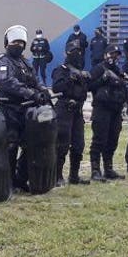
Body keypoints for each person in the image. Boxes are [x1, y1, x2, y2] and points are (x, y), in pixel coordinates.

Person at [0, 25, 52, 192]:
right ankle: (8, 181)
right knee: (10, 146)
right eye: (15, 42)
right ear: (7, 43)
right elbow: (8, 82)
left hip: (26, 110)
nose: (19, 45)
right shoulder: (1, 62)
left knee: (30, 144)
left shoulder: (25, 62)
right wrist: (30, 93)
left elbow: (35, 79)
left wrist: (43, 90)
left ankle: (20, 178)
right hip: (8, 109)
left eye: (21, 43)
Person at [50, 38, 90, 187]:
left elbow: (85, 91)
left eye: (79, 52)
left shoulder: (80, 72)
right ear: (67, 53)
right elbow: (56, 88)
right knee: (61, 145)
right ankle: (57, 176)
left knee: (79, 145)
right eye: (74, 52)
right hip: (64, 110)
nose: (77, 54)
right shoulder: (61, 70)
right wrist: (70, 80)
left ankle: (74, 176)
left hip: (77, 111)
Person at [88, 44, 127, 183]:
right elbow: (89, 86)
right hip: (101, 109)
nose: (114, 57)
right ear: (105, 55)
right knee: (99, 139)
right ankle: (95, 170)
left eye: (116, 54)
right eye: (111, 54)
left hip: (116, 109)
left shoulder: (118, 70)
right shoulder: (99, 68)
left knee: (113, 139)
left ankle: (108, 169)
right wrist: (103, 79)